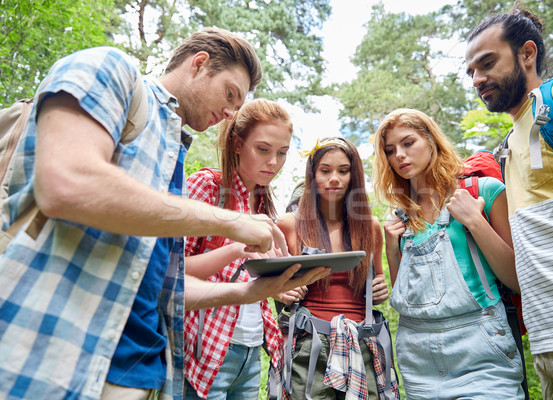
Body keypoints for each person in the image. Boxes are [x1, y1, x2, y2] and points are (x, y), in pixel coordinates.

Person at [0, 28, 326, 400]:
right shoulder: (111, 67)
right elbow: (66, 183)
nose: (229, 113)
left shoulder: (174, 154)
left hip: (137, 368)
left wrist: (248, 291)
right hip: (51, 348)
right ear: (199, 64)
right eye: (230, 94)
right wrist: (231, 223)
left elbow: (165, 286)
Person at [465, 6, 553, 399]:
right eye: (471, 71)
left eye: (487, 63)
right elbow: (521, 270)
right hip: (550, 340)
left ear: (527, 53)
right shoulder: (506, 148)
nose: (477, 79)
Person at [372, 108, 524, 399]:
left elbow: (517, 279)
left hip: (481, 352)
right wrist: (392, 250)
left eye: (408, 143)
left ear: (431, 141)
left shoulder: (485, 191)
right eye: (390, 150)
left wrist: (475, 221)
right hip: (418, 360)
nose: (400, 155)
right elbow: (407, 299)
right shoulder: (402, 218)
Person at [183, 98, 308, 399]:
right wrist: (236, 248)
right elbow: (171, 269)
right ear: (237, 144)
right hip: (204, 350)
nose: (273, 162)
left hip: (251, 352)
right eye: (263, 149)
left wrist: (277, 288)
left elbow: (247, 278)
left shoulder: (265, 203)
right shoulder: (208, 186)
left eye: (282, 153)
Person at [276, 136, 401, 400]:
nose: (335, 178)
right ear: (312, 175)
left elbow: (376, 281)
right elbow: (272, 285)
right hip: (308, 345)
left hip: (363, 343)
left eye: (343, 171)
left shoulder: (370, 228)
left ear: (353, 177)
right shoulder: (290, 224)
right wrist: (281, 291)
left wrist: (379, 288)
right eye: (325, 171)